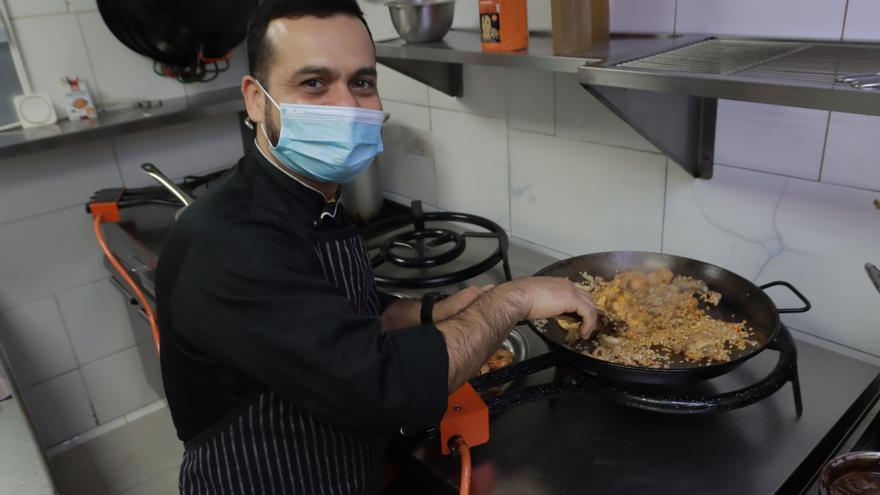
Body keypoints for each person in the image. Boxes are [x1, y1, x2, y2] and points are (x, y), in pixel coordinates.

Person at [155, 1, 597, 494]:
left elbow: (329, 313)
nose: (347, 107)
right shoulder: (230, 242)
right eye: (314, 83)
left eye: (362, 82)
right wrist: (511, 298)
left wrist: (431, 311)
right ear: (256, 100)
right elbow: (387, 386)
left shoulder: (309, 193)